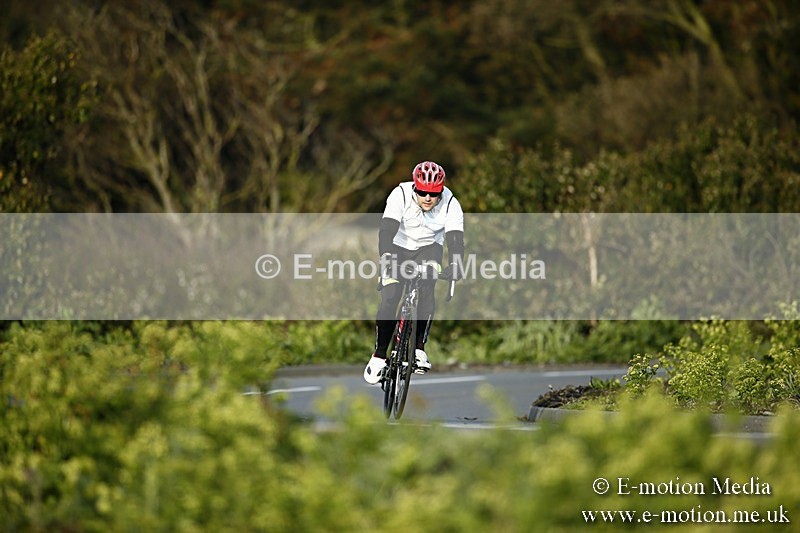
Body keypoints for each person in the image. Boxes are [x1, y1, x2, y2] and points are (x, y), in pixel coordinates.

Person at [363, 161, 464, 384]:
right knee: (390, 298)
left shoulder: (451, 203)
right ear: (414, 187)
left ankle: (418, 349)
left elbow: (455, 239)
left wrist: (456, 264)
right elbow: (386, 230)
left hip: (429, 248)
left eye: (434, 193)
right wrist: (387, 257)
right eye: (422, 192)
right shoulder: (399, 194)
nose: (428, 198)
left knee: (427, 286)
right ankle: (379, 355)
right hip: (397, 247)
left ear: (441, 191)